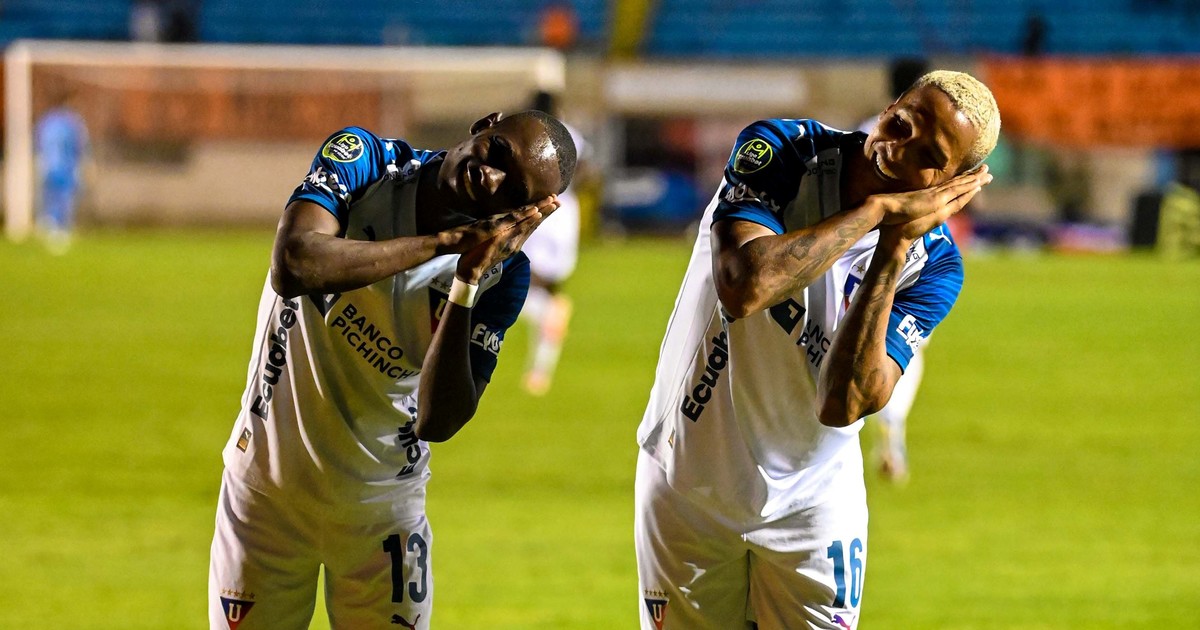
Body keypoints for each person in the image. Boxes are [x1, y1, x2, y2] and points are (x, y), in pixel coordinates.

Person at [634, 71, 999, 629]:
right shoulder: (785, 151)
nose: (900, 148)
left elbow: (842, 403)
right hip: (688, 480)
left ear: (955, 183)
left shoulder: (935, 266)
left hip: (814, 505)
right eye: (903, 123)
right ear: (890, 106)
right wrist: (875, 213)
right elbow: (744, 286)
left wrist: (893, 246)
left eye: (929, 157)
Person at [208, 111, 576, 630]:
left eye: (511, 191)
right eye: (498, 153)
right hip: (266, 496)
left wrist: (467, 280)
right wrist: (442, 244)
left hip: (384, 517)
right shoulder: (366, 163)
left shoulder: (503, 277)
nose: (489, 177)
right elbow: (294, 264)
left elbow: (439, 421)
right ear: (484, 124)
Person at [520, 91, 587, 395]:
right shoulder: (571, 135)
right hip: (566, 211)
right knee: (549, 287)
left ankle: (546, 313)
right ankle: (539, 372)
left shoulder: (527, 134)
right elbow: (585, 170)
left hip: (539, 211)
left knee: (515, 280)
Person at [34, 96, 89, 254]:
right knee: (64, 198)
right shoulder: (73, 122)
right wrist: (85, 164)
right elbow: (81, 145)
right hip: (66, 167)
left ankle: (51, 226)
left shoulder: (45, 121)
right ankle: (59, 228)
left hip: (48, 166)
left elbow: (38, 143)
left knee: (52, 197)